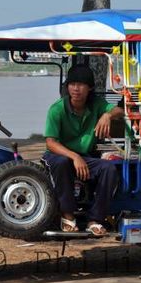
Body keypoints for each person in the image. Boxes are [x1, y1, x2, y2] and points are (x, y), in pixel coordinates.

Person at [42, 65, 124, 236]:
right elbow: (50, 142)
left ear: (90, 88)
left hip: (85, 157)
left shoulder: (96, 104)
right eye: (72, 84)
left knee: (108, 169)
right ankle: (67, 215)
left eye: (81, 84)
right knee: (63, 162)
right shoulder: (57, 109)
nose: (76, 89)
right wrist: (74, 156)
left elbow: (120, 110)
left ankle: (95, 219)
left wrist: (107, 115)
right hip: (58, 155)